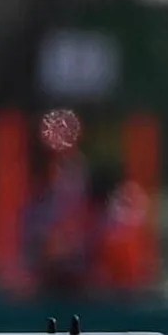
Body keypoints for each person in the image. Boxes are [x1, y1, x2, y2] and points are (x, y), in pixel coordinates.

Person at [20, 107, 102, 295]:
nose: (69, 179)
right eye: (63, 171)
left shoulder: (91, 214)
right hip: (45, 292)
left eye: (74, 172)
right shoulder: (37, 210)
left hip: (83, 295)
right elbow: (31, 256)